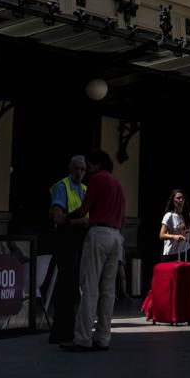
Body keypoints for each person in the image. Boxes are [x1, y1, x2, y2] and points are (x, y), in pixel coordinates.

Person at [64, 150, 125, 353]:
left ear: (97, 164)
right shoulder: (118, 184)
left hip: (98, 234)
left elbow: (84, 209)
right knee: (108, 290)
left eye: (89, 165)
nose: (87, 170)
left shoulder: (97, 180)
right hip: (116, 237)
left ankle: (82, 338)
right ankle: (103, 338)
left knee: (89, 286)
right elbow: (123, 217)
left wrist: (66, 218)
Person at [47, 155, 88, 344]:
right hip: (65, 240)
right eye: (76, 169)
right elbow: (57, 218)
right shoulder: (62, 187)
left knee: (73, 286)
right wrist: (77, 219)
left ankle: (69, 327)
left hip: (80, 241)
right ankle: (61, 328)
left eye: (82, 169)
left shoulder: (86, 189)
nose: (79, 172)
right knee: (66, 285)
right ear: (70, 169)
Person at [159, 189, 190, 262]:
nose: (181, 200)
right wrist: (174, 237)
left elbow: (187, 233)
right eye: (178, 198)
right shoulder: (169, 215)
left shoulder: (187, 216)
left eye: (182, 198)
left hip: (185, 251)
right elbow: (161, 235)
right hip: (171, 254)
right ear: (173, 201)